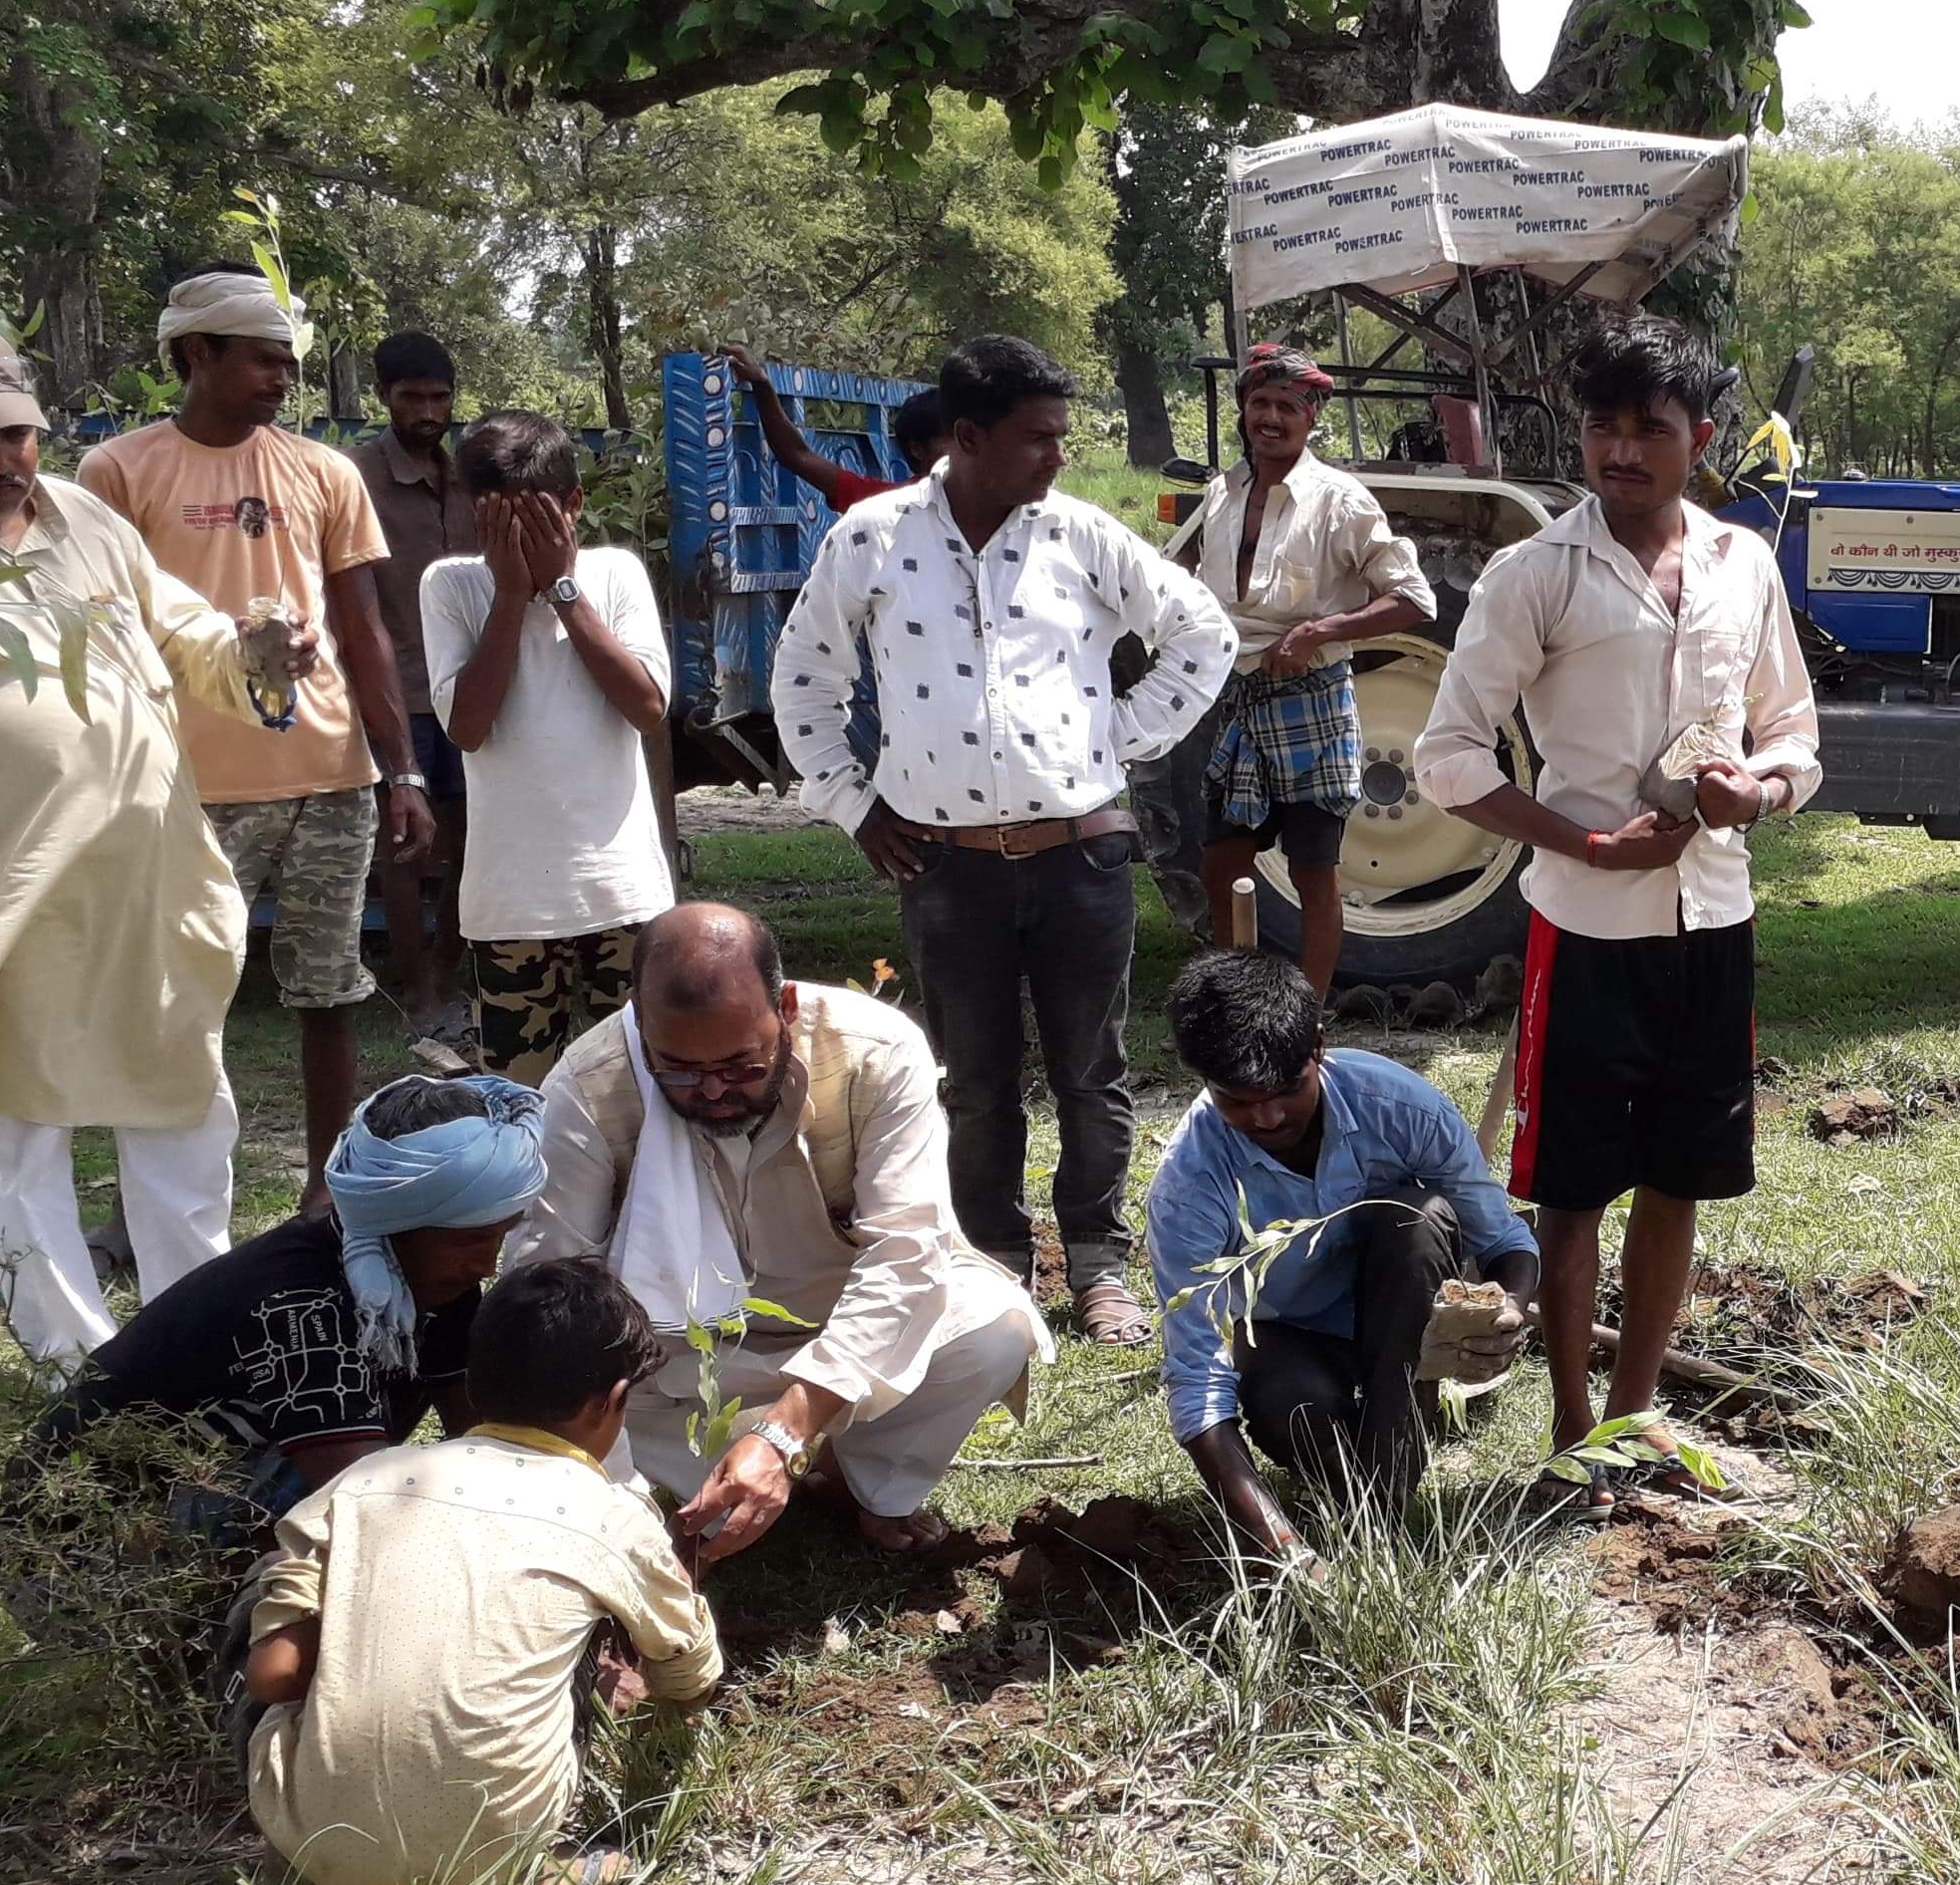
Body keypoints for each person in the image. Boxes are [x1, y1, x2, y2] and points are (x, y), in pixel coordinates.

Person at [1411, 318, 1821, 1508]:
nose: (1622, 451)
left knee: (1680, 1175)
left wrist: (1765, 787)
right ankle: (1575, 1430)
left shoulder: (1744, 565)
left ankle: (1639, 1415)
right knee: (1574, 1185)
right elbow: (1445, 756)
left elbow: (1792, 727)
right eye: (1602, 426)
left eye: (1651, 428)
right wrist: (1583, 840)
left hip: (1715, 919)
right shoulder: (1533, 573)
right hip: (1582, 927)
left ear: (1701, 438)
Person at [769, 333, 1233, 1348]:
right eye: (1039, 439)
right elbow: (803, 675)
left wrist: (1119, 734)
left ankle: (1101, 1270)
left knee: (1090, 1073)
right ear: (968, 439)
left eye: (1063, 436)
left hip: (1082, 856)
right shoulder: (872, 538)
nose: (1060, 455)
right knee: (972, 1081)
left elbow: (1205, 633)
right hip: (945, 865)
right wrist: (852, 802)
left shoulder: (1080, 535)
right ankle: (992, 1264)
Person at [0, 328, 316, 1368]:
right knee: (19, 1119)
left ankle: (189, 1334)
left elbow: (189, 636)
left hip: (148, 874)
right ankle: (76, 1361)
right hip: (7, 888)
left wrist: (259, 650)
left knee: (183, 1104)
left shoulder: (86, 520)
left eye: (15, 437)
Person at [511, 903, 1048, 1559]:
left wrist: (785, 1433)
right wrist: (613, 1504)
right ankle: (682, 1495)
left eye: (740, 1066)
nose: (711, 1091)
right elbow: (552, 1289)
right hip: (679, 1356)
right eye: (677, 1068)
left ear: (786, 1006)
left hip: (843, 1323)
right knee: (581, 1371)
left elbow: (905, 1255)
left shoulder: (876, 1053)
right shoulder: (589, 1084)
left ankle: (858, 1484)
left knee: (993, 1329)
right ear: (639, 1020)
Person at [79, 270, 434, 1202]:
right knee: (175, 1001)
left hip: (327, 776)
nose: (283, 378)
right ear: (197, 354)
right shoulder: (116, 472)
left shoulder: (323, 472)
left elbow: (367, 633)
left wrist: (402, 772)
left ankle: (325, 1190)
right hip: (185, 783)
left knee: (328, 993)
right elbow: (107, 631)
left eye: (288, 362)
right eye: (263, 360)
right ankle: (153, 1202)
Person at [236, 1251, 721, 1885]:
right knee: (571, 1634)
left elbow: (272, 1677)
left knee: (276, 1583)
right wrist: (678, 1703)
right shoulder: (610, 1513)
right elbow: (687, 1659)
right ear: (611, 1403)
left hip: (315, 1840)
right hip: (494, 1847)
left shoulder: (364, 1481)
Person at [0, 1075, 545, 1565]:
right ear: (396, 1222)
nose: (486, 1264)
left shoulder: (428, 1275)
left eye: (499, 1236)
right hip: (78, 1556)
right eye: (472, 1241)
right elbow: (367, 1507)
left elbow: (480, 1444)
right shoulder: (302, 1307)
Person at [1148, 949, 1537, 1552]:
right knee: (1287, 1406)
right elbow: (1197, 1379)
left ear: (1319, 1049)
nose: (1267, 1117)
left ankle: (1388, 1485)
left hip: (1403, 1316)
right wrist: (1287, 1548)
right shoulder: (1189, 1184)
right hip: (1286, 1335)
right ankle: (1366, 1492)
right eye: (1238, 1101)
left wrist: (1506, 1308)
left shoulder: (1401, 1108)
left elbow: (1505, 1241)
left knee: (1419, 1217)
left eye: (1286, 1090)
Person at [420, 410, 675, 1085]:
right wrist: (509, 594)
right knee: (524, 1105)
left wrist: (562, 589)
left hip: (621, 896)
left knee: (635, 1099)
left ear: (572, 507)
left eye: (532, 519)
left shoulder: (614, 575)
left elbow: (646, 706)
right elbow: (469, 727)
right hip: (510, 908)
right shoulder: (452, 587)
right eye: (496, 521)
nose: (513, 537)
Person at [1179, 344, 1436, 994]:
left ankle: (1308, 1015)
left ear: (1310, 419)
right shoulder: (1223, 490)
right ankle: (1235, 1004)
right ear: (1243, 410)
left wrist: (1322, 630)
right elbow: (1182, 576)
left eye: (1286, 407)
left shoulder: (1339, 499)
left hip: (1313, 702)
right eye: (1259, 403)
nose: (1270, 418)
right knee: (1222, 864)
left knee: (1313, 869)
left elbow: (1415, 599)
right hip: (1240, 699)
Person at [344, 331, 481, 1064]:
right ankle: (419, 989)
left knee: (466, 841)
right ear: (385, 398)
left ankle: (449, 974)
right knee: (404, 847)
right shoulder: (357, 477)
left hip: (467, 694)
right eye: (413, 398)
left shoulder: (465, 476)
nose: (428, 412)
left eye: (439, 398)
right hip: (398, 693)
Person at [722, 344, 947, 512]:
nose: (971, 448)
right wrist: (762, 386)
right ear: (918, 449)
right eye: (955, 439)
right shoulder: (890, 508)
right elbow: (797, 456)